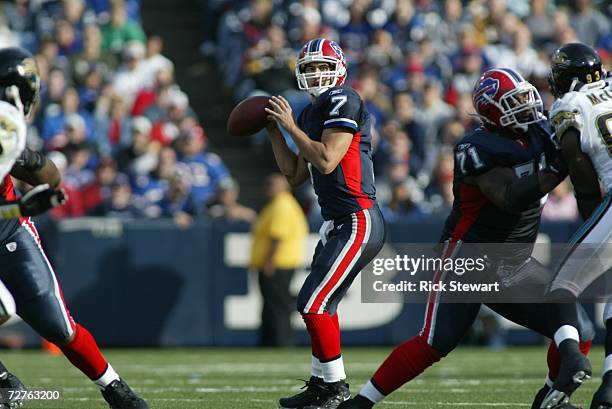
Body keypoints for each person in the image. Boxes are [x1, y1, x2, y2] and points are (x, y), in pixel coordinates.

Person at [338, 68, 592, 409]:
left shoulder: (539, 132)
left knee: (579, 327)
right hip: (468, 260)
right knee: (435, 342)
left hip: (513, 260)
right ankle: (361, 403)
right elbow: (511, 197)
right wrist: (560, 166)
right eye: (514, 101)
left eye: (525, 96)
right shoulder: (476, 147)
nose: (526, 105)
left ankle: (550, 397)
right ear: (492, 111)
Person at [0, 47, 149, 409]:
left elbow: (51, 176)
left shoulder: (7, 127)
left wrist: (25, 160)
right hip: (8, 216)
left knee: (56, 323)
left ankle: (113, 387)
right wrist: (19, 204)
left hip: (7, 232)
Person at [265, 38, 386, 408]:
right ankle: (322, 385)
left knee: (314, 301)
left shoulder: (343, 98)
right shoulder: (307, 113)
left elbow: (328, 159)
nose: (316, 73)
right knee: (319, 304)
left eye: (322, 66)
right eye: (310, 68)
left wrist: (291, 127)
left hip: (358, 218)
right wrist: (275, 132)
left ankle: (333, 387)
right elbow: (294, 174)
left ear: (338, 68)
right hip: (338, 222)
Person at [546, 42, 612, 409]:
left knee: (559, 285)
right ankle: (609, 391)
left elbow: (582, 178)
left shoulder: (569, 105)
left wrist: (593, 218)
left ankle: (572, 358)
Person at [250, 173, 308, 347]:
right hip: (278, 263)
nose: (268, 187)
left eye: (272, 184)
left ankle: (280, 343)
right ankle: (271, 343)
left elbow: (278, 237)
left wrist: (270, 261)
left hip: (278, 264)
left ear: (285, 186)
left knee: (277, 307)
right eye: (267, 183)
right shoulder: (277, 204)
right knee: (272, 306)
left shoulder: (282, 205)